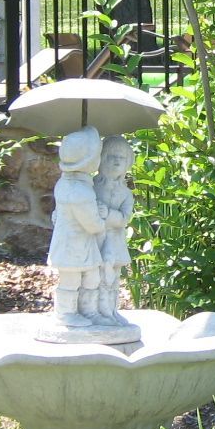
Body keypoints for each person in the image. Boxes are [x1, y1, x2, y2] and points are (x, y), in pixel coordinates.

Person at [48, 126, 106, 328]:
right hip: (71, 247)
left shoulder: (66, 184)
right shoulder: (80, 191)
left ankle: (88, 311)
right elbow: (92, 224)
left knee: (92, 277)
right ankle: (65, 313)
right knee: (70, 281)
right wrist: (102, 218)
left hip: (81, 245)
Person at [93, 134, 135, 325]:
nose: (117, 161)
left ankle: (110, 310)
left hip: (114, 242)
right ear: (101, 159)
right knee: (94, 277)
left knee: (113, 278)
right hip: (95, 239)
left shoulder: (126, 194)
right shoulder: (91, 185)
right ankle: (94, 311)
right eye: (112, 156)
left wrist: (108, 213)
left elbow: (125, 218)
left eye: (122, 157)